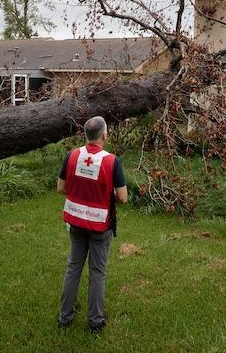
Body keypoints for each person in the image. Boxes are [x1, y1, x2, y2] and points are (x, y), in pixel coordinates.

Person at [57, 116, 128, 333]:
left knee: (73, 267)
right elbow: (123, 198)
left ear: (85, 135)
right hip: (100, 226)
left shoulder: (72, 155)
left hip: (76, 221)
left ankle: (65, 317)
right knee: (97, 272)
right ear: (104, 135)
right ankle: (96, 321)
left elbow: (61, 188)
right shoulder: (112, 161)